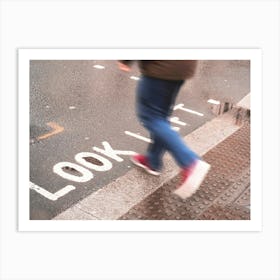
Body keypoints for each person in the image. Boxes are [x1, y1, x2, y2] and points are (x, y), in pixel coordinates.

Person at [118, 60, 210, 199]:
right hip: (183, 66)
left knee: (150, 116)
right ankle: (153, 160)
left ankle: (190, 162)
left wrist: (125, 59)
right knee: (161, 115)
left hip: (160, 66)